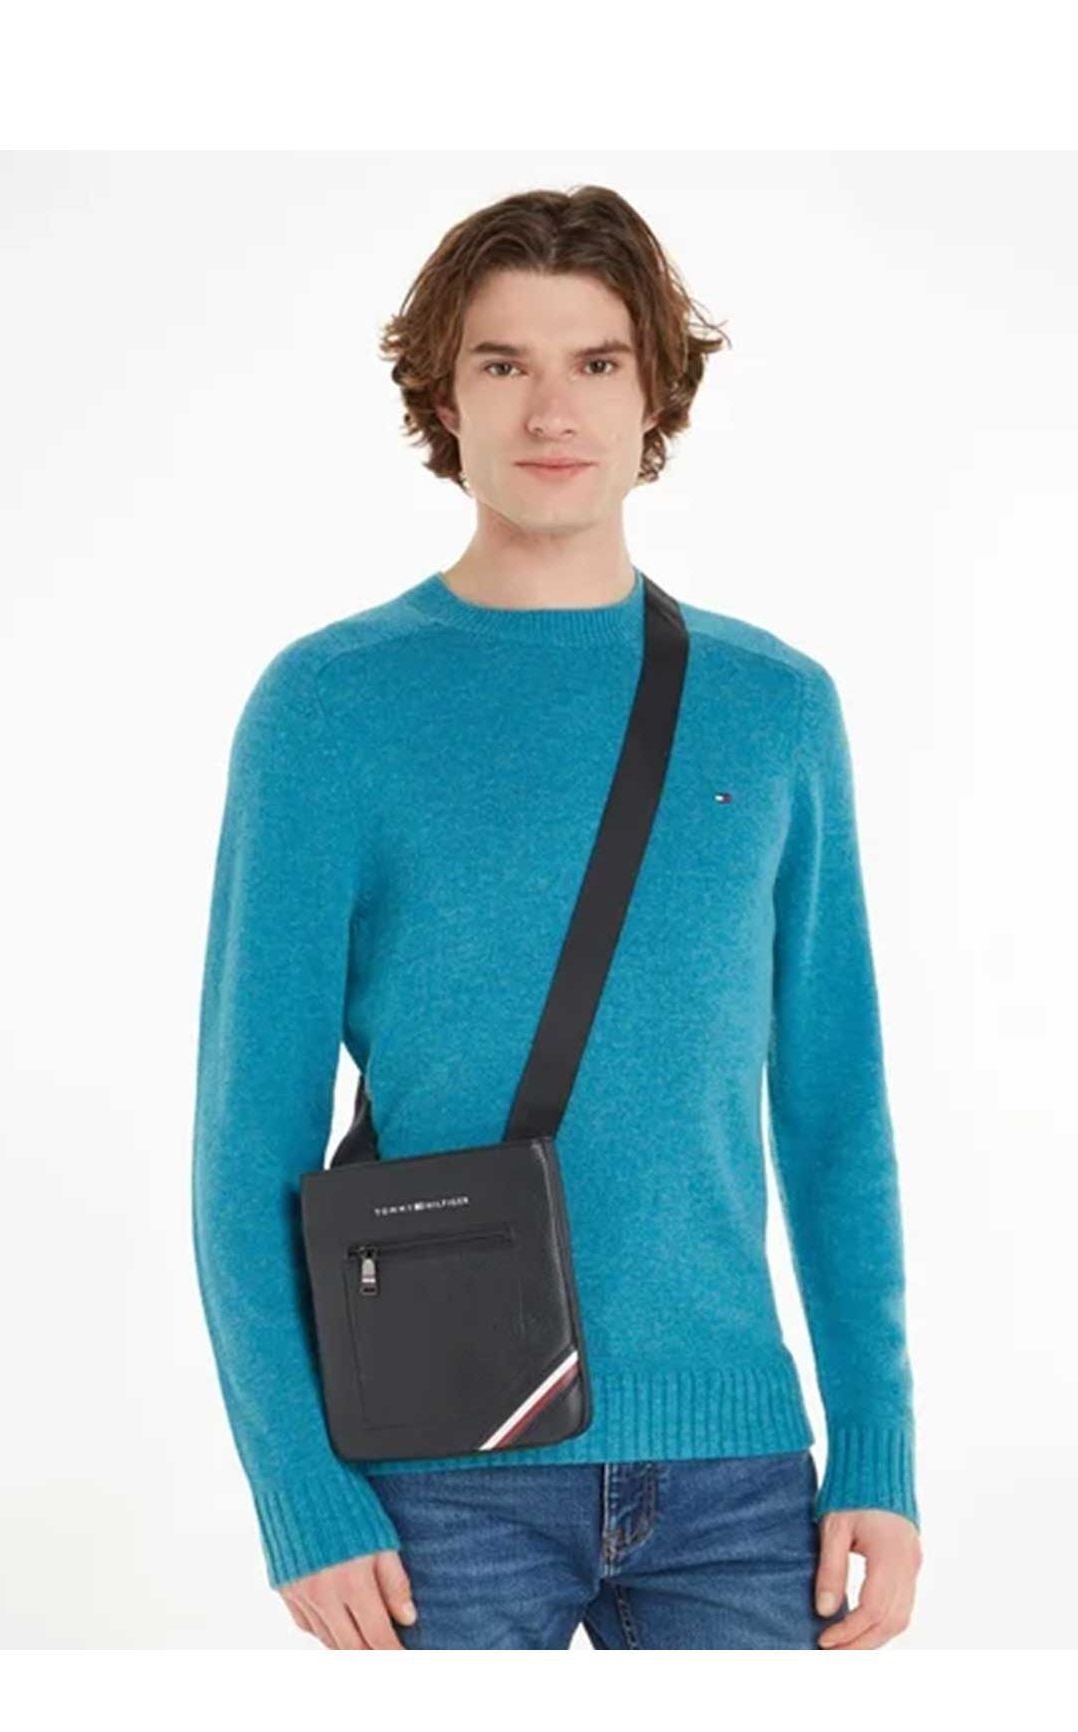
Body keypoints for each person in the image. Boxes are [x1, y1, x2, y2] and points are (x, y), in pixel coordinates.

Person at [191, 183, 922, 1650]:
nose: (551, 409)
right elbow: (246, 1141)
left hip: (738, 1473)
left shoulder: (775, 708)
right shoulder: (328, 707)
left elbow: (835, 1113)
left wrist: (878, 1451)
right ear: (441, 398)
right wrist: (301, 1491)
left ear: (656, 395)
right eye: (502, 363)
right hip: (436, 1476)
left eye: (596, 361)